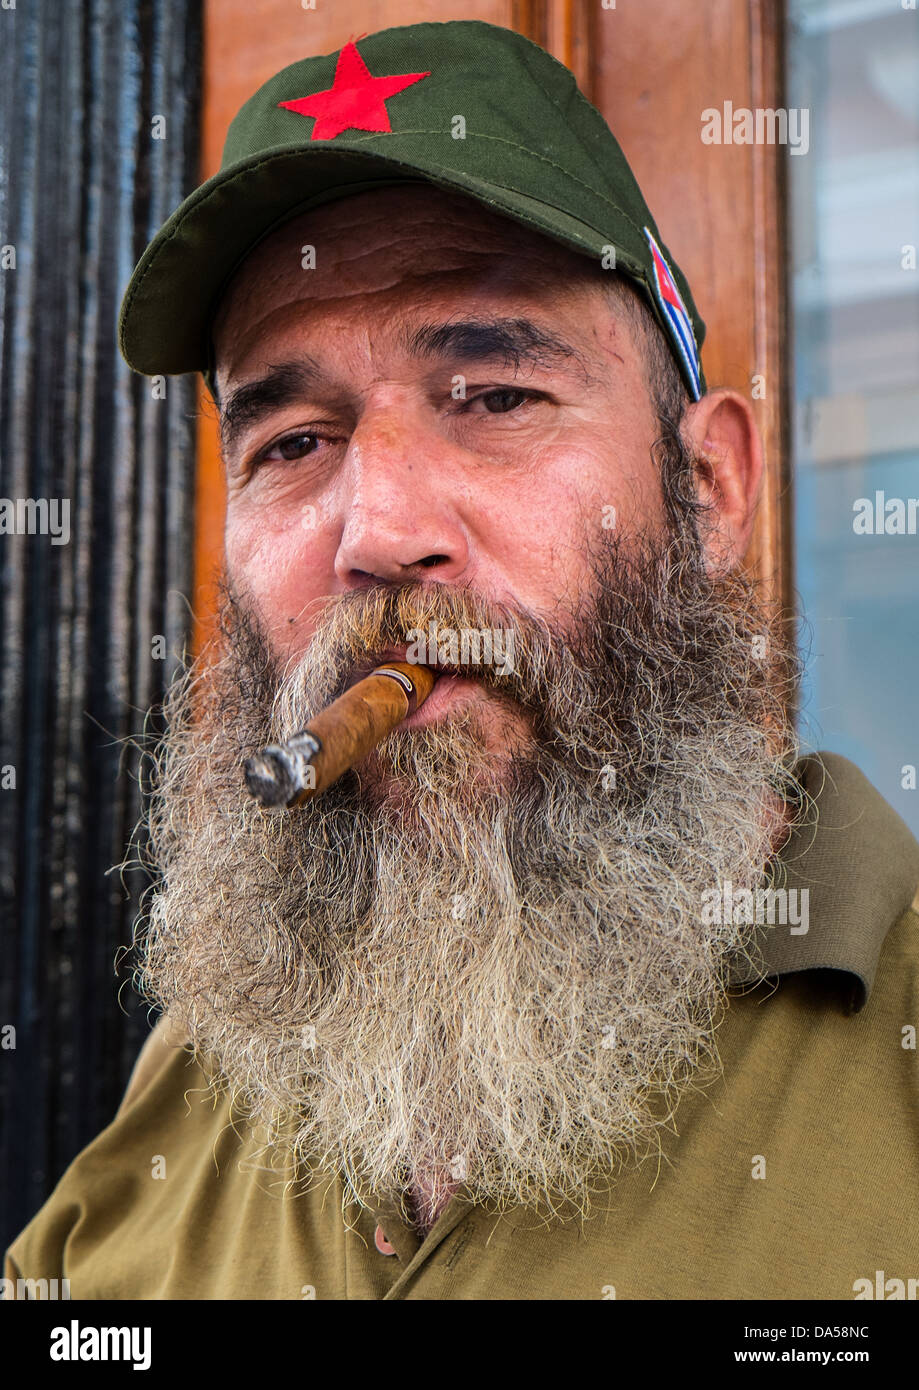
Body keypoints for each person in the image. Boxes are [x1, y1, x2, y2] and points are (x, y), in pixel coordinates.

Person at [5, 19, 919, 1301]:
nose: (377, 533)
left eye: (494, 399)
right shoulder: (211, 1062)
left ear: (708, 488)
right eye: (293, 444)